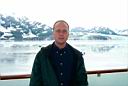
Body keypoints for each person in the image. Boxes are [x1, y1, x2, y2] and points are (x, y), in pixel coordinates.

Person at [29, 20, 88, 86]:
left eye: (64, 31)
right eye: (58, 31)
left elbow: (82, 82)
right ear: (53, 33)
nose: (61, 34)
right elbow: (35, 82)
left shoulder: (77, 56)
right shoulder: (42, 55)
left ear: (68, 34)